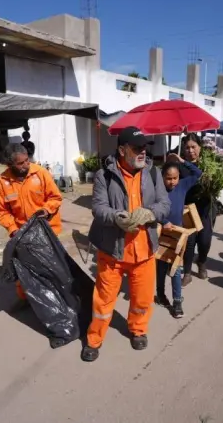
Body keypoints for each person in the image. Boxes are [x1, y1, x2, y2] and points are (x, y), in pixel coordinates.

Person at [82, 126, 171, 362]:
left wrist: (150, 214)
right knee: (103, 301)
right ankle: (94, 339)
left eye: (145, 147)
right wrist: (116, 218)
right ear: (122, 150)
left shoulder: (153, 173)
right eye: (137, 148)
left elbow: (165, 204)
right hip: (112, 251)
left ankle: (138, 330)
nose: (143, 152)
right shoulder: (104, 175)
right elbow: (98, 208)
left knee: (142, 300)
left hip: (144, 251)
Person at [0, 144, 63, 305]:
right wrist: (13, 230)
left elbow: (56, 198)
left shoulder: (41, 173)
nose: (26, 165)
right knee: (24, 269)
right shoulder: (2, 182)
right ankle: (25, 299)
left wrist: (46, 210)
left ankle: (56, 300)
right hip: (22, 233)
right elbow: (1, 211)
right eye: (21, 163)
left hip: (47, 232)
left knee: (50, 268)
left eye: (27, 160)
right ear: (10, 165)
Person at [156, 154, 202, 318]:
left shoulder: (182, 185)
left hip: (178, 234)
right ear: (162, 177)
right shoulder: (157, 189)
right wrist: (163, 221)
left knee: (175, 269)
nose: (172, 182)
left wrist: (183, 162)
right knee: (160, 268)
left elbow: (198, 174)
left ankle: (177, 301)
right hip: (162, 234)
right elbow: (152, 209)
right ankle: (160, 294)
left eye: (175, 178)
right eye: (168, 178)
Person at [173, 134, 214, 285]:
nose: (190, 151)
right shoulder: (179, 166)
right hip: (187, 209)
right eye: (187, 148)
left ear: (200, 148)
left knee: (205, 241)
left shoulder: (208, 165)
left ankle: (202, 261)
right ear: (183, 150)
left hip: (205, 209)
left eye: (193, 147)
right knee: (189, 242)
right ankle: (188, 273)